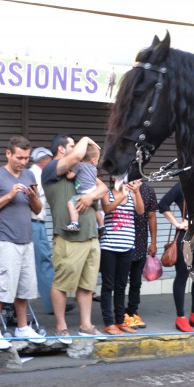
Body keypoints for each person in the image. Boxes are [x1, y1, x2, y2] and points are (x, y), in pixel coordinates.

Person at [0, 135, 46, 350]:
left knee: (24, 288)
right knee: (0, 288)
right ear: (8, 153)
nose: (23, 162)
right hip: (4, 241)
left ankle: (22, 327)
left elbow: (37, 210)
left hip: (26, 240)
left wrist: (33, 196)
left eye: (26, 158)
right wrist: (9, 195)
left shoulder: (28, 175)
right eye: (19, 157)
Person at [42, 134, 107, 341]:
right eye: (72, 144)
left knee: (87, 285)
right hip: (68, 239)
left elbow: (103, 188)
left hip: (90, 236)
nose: (78, 148)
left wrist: (90, 196)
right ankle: (61, 327)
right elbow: (79, 153)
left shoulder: (81, 168)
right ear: (62, 149)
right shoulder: (51, 169)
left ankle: (85, 325)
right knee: (61, 284)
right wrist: (87, 138)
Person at [159, 182, 194, 332]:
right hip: (185, 238)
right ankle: (180, 317)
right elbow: (163, 204)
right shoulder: (183, 186)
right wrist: (177, 223)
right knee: (182, 276)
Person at [98, 178, 144, 334]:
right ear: (112, 178)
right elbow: (107, 209)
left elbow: (140, 211)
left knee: (121, 286)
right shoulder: (107, 193)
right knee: (108, 285)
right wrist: (122, 195)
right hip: (109, 247)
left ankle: (120, 321)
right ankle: (109, 322)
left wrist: (136, 192)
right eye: (118, 176)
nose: (122, 180)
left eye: (124, 176)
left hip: (127, 246)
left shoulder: (131, 194)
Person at [124, 180, 158, 329]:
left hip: (140, 242)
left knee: (136, 282)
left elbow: (151, 217)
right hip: (121, 243)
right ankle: (120, 314)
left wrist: (153, 242)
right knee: (119, 282)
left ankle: (132, 312)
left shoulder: (148, 190)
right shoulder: (120, 187)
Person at [28, 147, 56, 316]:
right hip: (34, 224)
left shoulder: (36, 173)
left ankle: (52, 302)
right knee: (44, 262)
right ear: (44, 160)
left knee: (41, 263)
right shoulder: (36, 174)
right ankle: (52, 303)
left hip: (35, 224)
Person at [64, 142, 105, 234]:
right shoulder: (94, 169)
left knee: (71, 203)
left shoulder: (79, 165)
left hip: (84, 193)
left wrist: (66, 171)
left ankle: (74, 223)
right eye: (97, 160)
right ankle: (102, 226)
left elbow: (70, 176)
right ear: (94, 160)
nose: (97, 162)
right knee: (96, 210)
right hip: (94, 194)